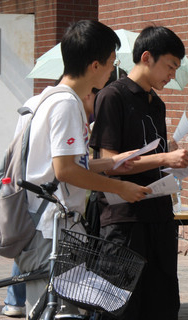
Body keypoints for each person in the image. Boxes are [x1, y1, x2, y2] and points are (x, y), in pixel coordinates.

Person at [15, 20, 152, 315]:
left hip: (39, 225)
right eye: (111, 64)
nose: (112, 72)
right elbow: (65, 171)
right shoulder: (67, 104)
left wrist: (113, 161)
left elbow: (62, 164)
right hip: (51, 230)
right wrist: (120, 187)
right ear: (94, 65)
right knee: (59, 312)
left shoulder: (40, 100)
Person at [89, 26, 188, 320]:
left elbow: (155, 162)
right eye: (170, 66)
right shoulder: (111, 96)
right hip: (124, 220)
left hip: (159, 217)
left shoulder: (157, 104)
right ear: (147, 57)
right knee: (123, 308)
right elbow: (109, 162)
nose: (172, 75)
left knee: (163, 305)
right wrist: (167, 156)